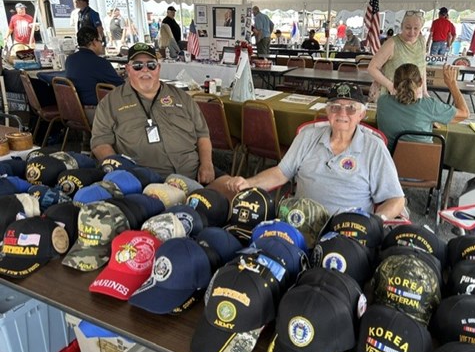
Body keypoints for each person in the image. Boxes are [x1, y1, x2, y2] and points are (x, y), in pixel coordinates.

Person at [226, 82, 405, 219]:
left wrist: (374, 222)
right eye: (335, 107)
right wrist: (249, 183)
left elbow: (396, 199)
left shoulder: (374, 147)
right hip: (301, 220)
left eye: (351, 108)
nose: (342, 113)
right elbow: (281, 173)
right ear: (328, 112)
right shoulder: (308, 136)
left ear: (362, 115)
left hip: (348, 230)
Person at [91, 43, 229, 190]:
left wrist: (207, 164)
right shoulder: (110, 103)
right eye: (138, 65)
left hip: (193, 172)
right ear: (128, 69)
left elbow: (202, 135)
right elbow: (100, 143)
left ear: (158, 68)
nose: (145, 70)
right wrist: (122, 174)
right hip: (147, 181)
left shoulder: (182, 97)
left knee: (239, 194)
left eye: (151, 65)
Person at [377, 63, 469, 150]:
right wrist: (452, 83)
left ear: (394, 84)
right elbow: (464, 113)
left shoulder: (382, 101)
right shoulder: (430, 106)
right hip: (423, 163)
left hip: (388, 161)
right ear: (421, 82)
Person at [368, 10, 427, 99]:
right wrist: (390, 86)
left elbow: (422, 68)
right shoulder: (391, 43)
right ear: (401, 26)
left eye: (416, 28)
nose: (411, 32)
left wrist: (424, 91)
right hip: (394, 95)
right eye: (408, 28)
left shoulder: (422, 41)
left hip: (416, 96)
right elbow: (372, 68)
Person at [65, 26, 124, 107]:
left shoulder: (70, 59)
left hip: (74, 109)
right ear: (94, 42)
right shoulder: (100, 62)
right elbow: (121, 86)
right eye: (101, 41)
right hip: (97, 112)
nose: (102, 45)